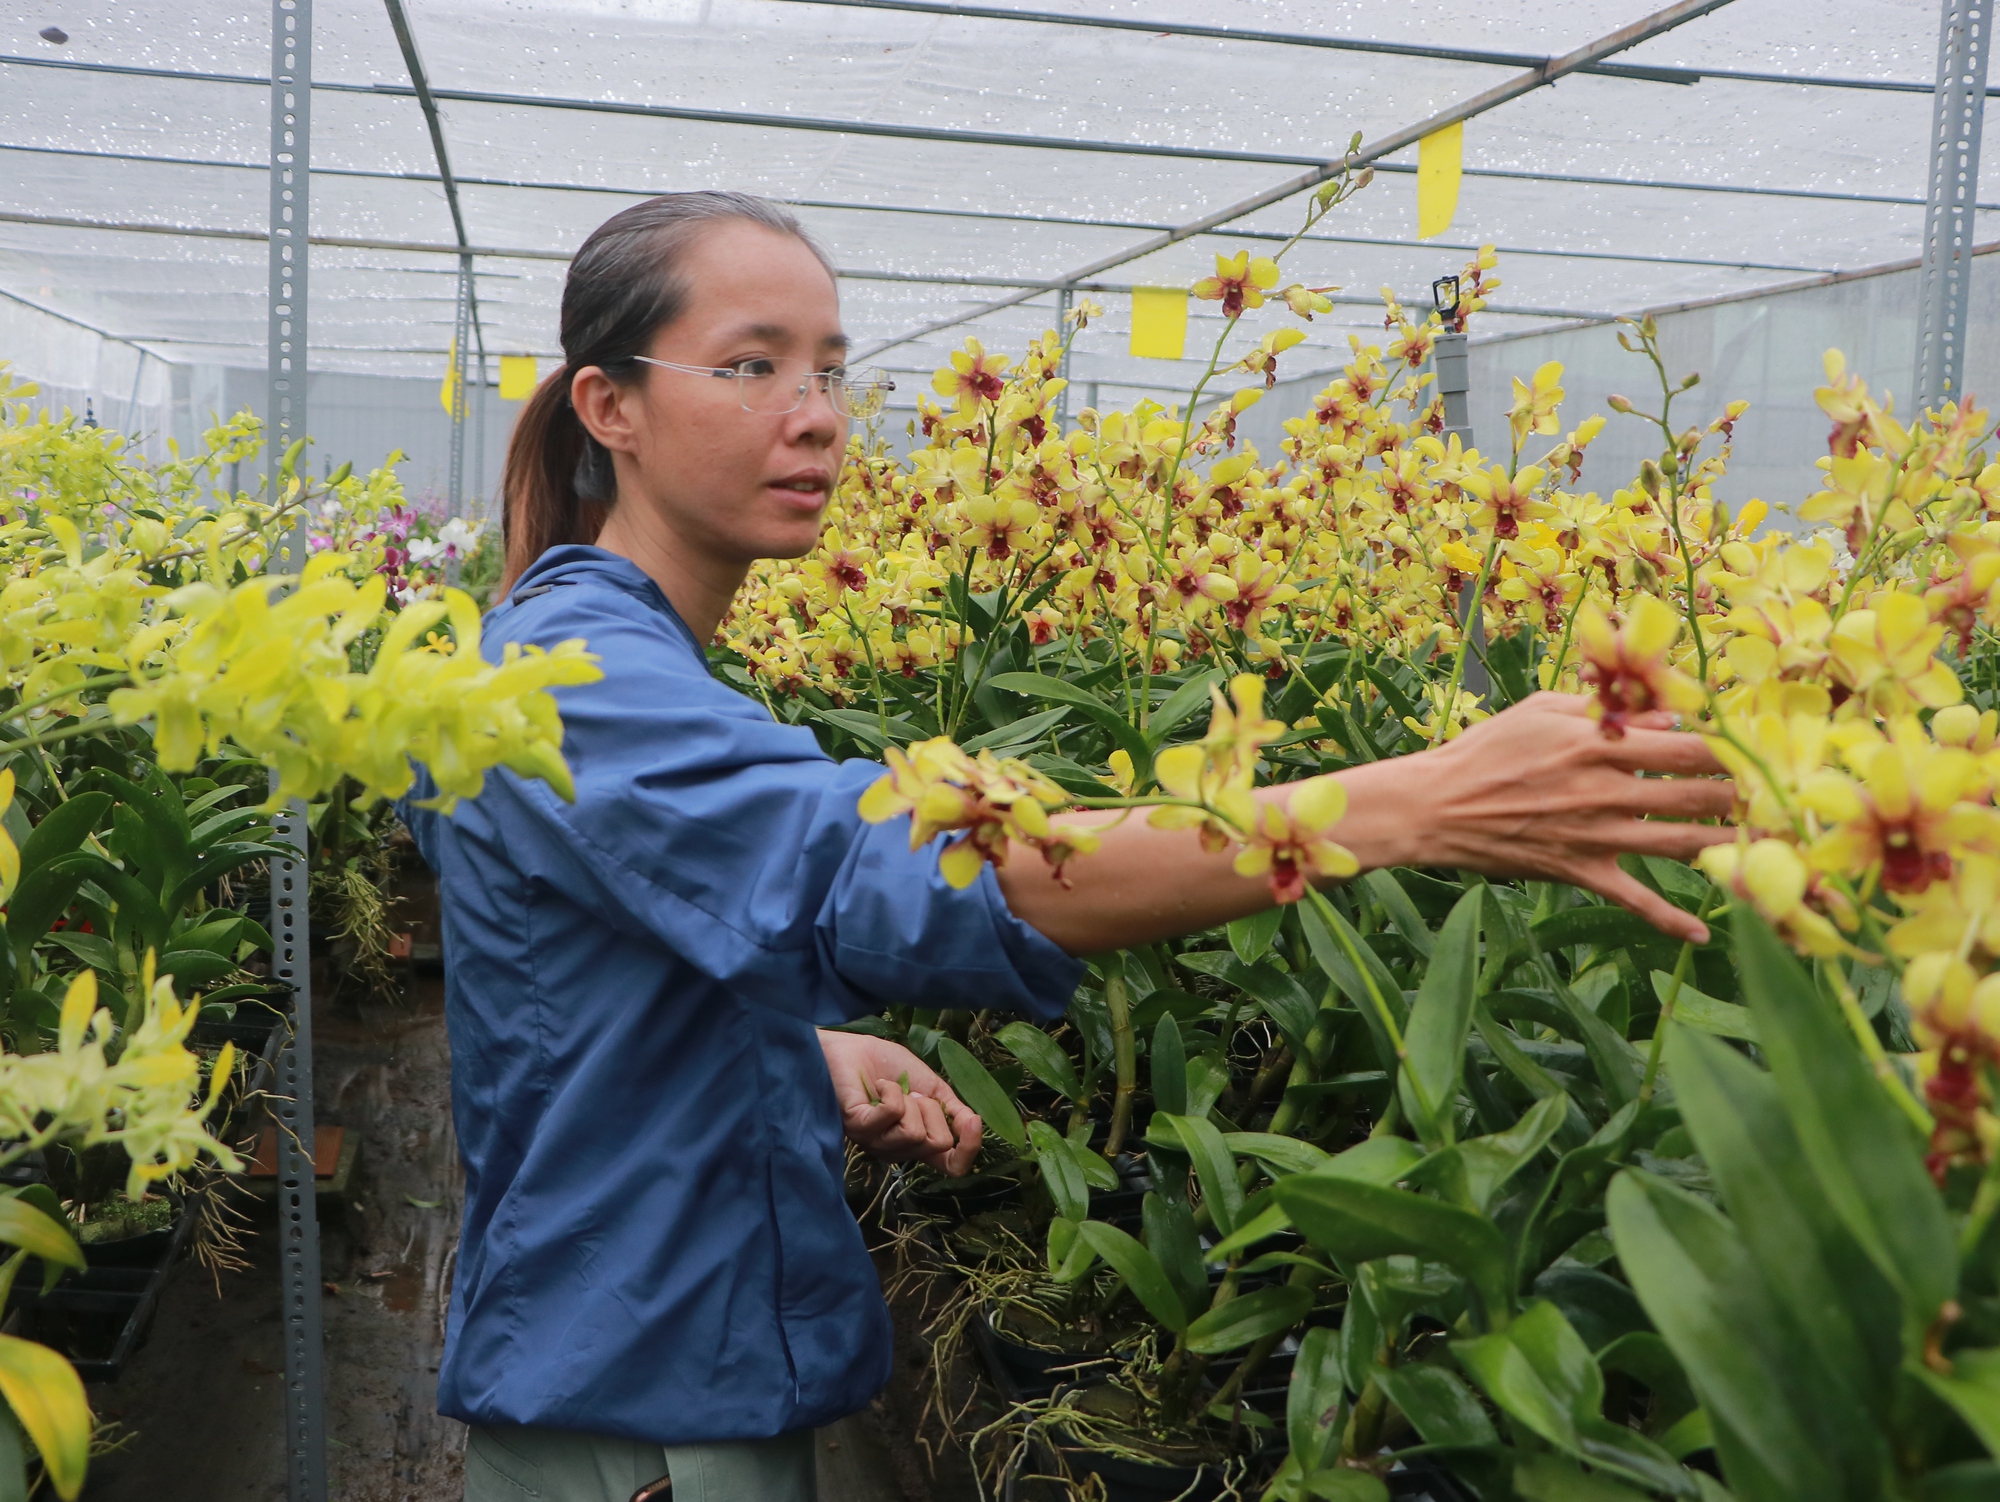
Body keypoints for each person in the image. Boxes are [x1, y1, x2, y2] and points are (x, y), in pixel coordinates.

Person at [402, 192, 1731, 1502]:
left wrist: (795, 1049)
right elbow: (908, 873)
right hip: (646, 1431)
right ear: (608, 407)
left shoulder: (596, 657)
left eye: (831, 368)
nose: (814, 413)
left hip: (657, 1383)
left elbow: (580, 978)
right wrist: (1408, 805)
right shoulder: (581, 678)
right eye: (749, 366)